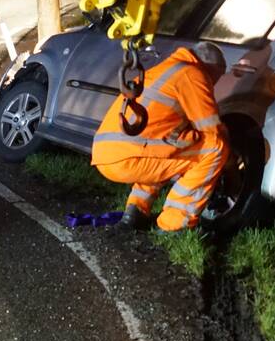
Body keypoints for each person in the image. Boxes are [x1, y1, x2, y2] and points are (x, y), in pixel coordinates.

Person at [91, 42, 230, 232]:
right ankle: (173, 226)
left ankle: (136, 212)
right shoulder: (192, 74)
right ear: (210, 68)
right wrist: (228, 159)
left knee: (168, 151)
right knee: (216, 148)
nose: (214, 83)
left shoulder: (166, 69)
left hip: (106, 155)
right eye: (216, 77)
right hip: (128, 158)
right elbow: (211, 130)